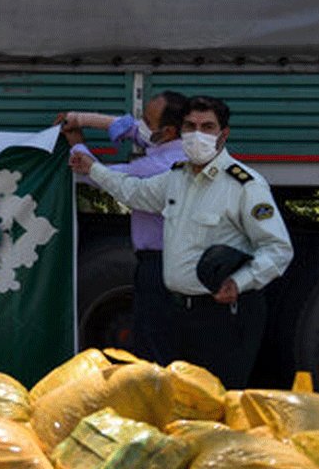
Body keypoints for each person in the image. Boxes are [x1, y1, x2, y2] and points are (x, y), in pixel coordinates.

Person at [69, 95, 293, 388]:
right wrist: (92, 169)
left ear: (223, 134)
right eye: (191, 125)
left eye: (208, 127)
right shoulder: (176, 177)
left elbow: (278, 249)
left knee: (215, 403)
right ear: (180, 130)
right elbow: (134, 192)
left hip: (223, 316)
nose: (198, 134)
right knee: (176, 400)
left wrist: (241, 281)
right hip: (179, 313)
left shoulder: (245, 185)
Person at [59, 90, 188, 364]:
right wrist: (79, 118)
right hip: (174, 262)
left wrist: (76, 142)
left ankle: (155, 396)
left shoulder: (156, 167)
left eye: (148, 121)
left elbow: (98, 176)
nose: (141, 125)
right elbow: (129, 128)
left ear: (167, 131)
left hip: (159, 265)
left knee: (153, 340)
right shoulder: (178, 148)